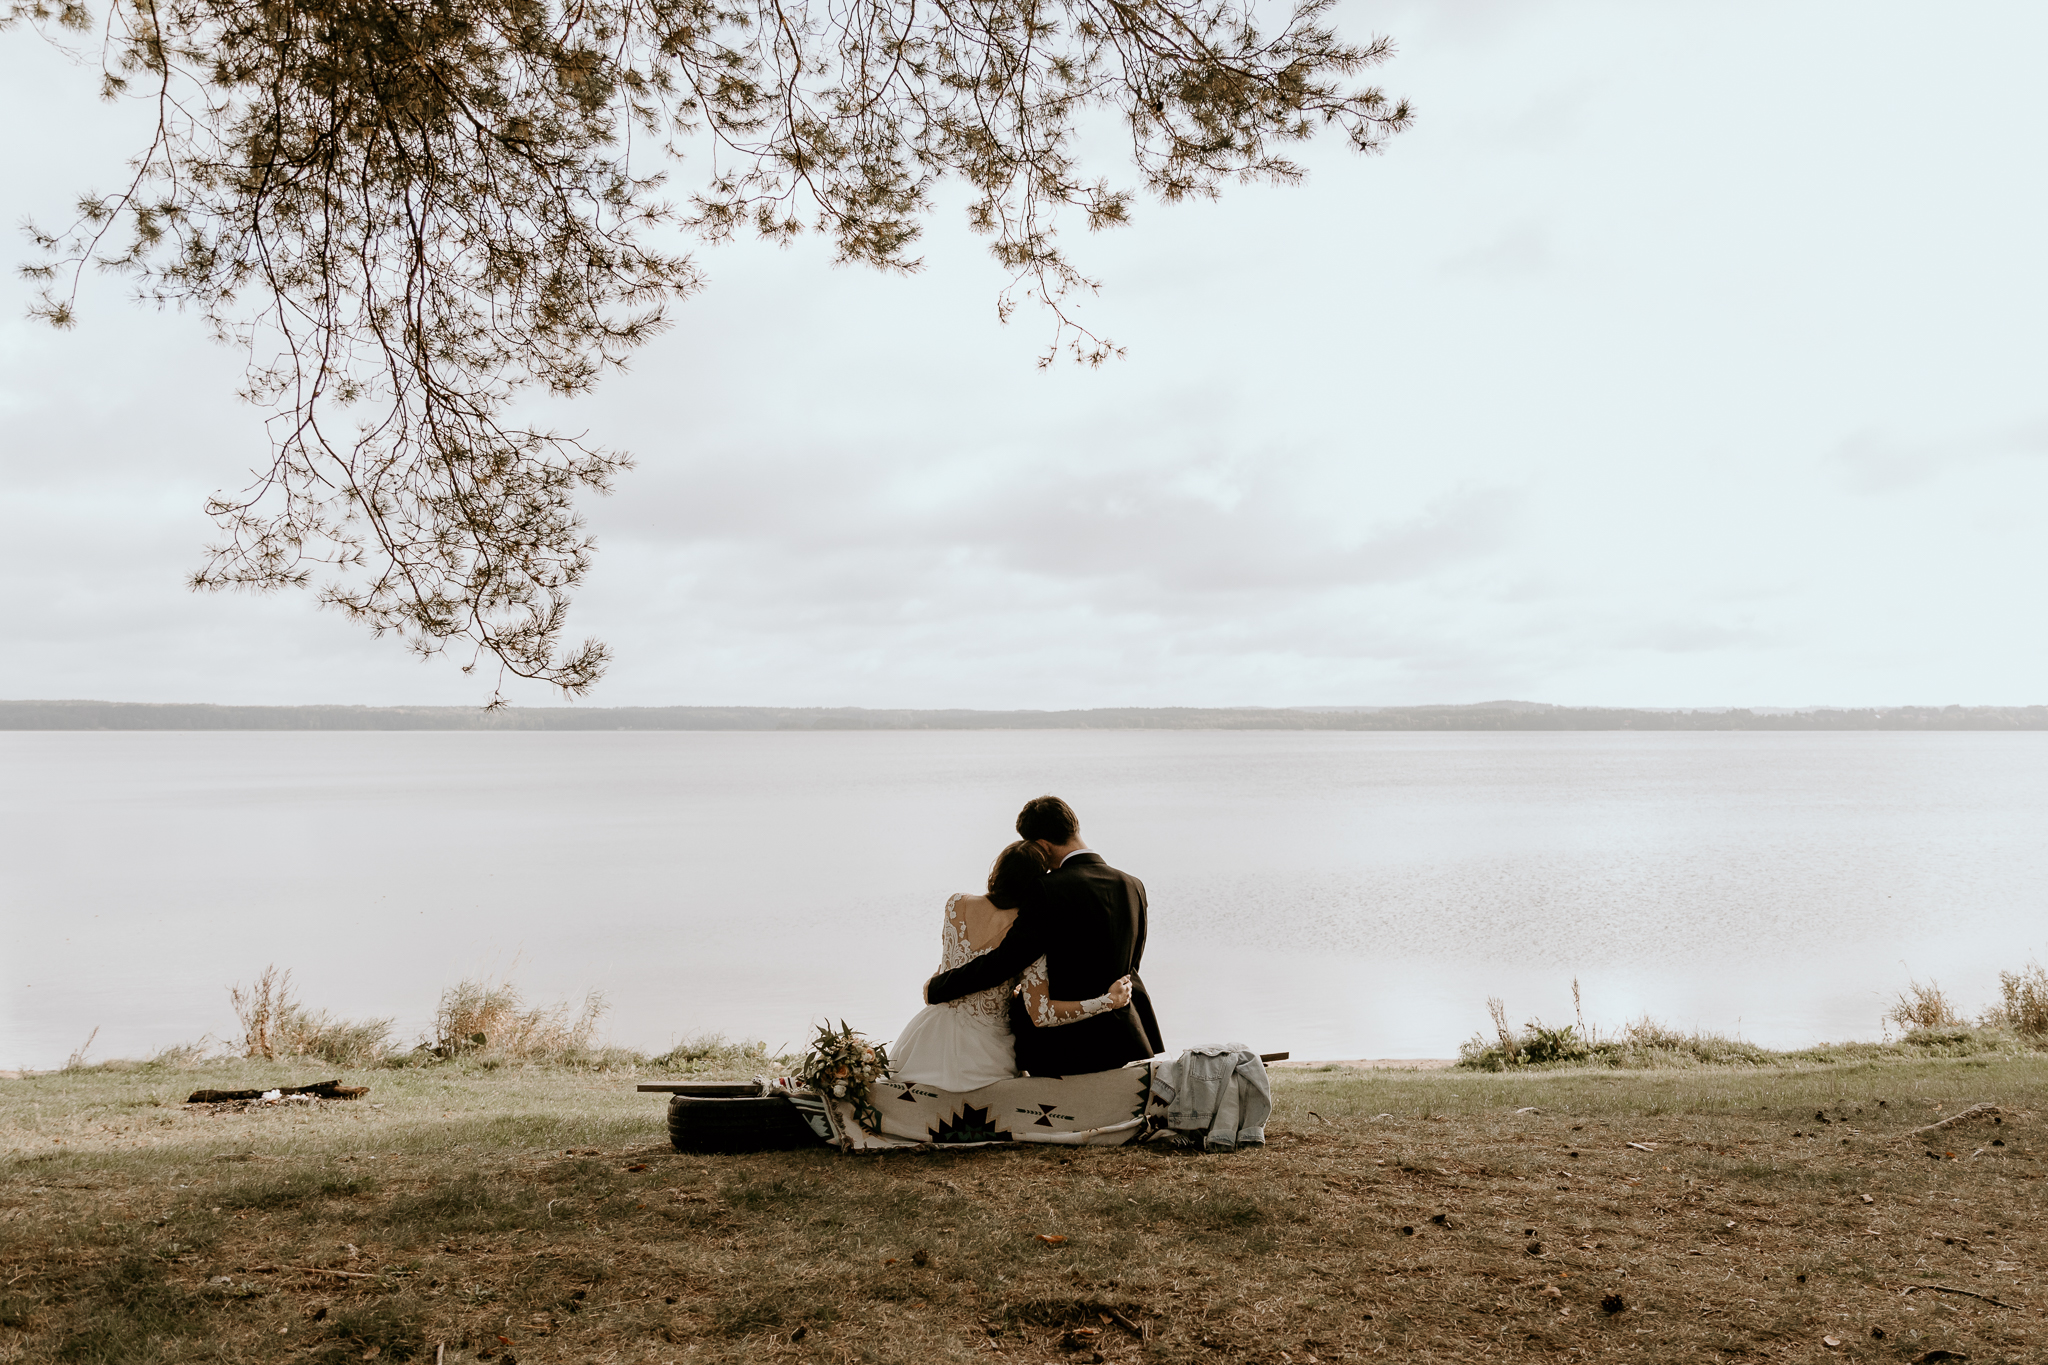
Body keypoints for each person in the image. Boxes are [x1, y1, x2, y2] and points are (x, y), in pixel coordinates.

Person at [921, 796, 1164, 1077]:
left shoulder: (1046, 889)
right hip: (1127, 1039)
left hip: (1064, 1049)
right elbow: (1132, 962)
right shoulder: (1133, 885)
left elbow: (1008, 959)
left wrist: (939, 987)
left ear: (1043, 846)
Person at [890, 840, 1134, 1091]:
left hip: (928, 1036)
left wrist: (933, 985)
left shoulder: (956, 904)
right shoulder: (1028, 933)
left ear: (997, 871)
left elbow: (949, 964)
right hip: (984, 1051)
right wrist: (1108, 1001)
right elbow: (1042, 1014)